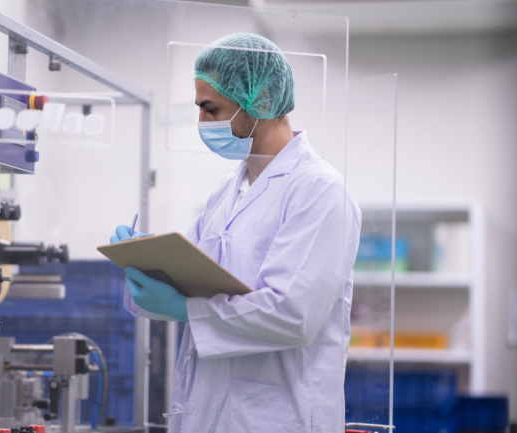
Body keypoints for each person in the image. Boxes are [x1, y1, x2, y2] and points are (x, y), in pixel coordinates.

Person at [110, 33, 361, 432]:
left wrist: (187, 310)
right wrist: (145, 261)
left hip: (278, 417)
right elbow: (188, 275)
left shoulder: (319, 191)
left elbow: (292, 315)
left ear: (261, 100)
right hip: (209, 413)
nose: (202, 123)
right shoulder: (229, 190)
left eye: (211, 109)